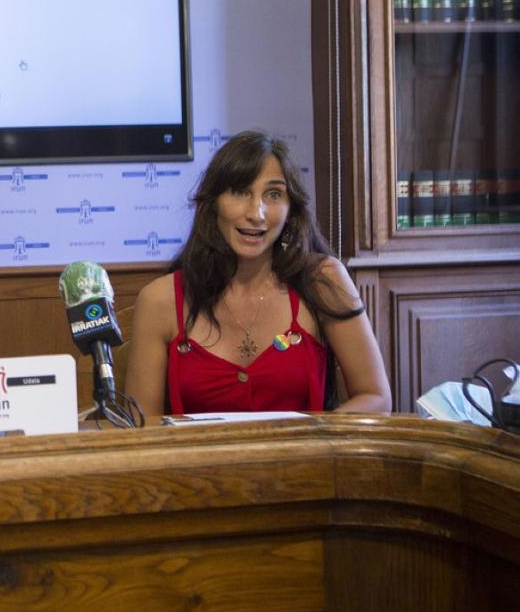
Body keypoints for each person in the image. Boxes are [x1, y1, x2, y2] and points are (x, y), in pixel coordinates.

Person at [125, 130, 391, 419]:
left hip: (305, 461)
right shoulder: (160, 299)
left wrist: (308, 437)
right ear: (213, 202)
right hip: (201, 464)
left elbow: (375, 398)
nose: (257, 213)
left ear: (291, 209)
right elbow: (141, 429)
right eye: (240, 192)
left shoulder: (323, 279)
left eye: (273, 194)